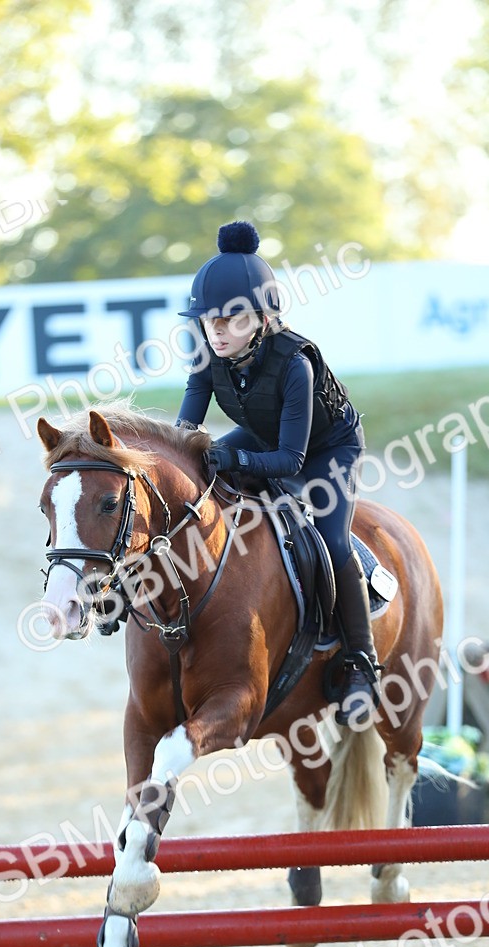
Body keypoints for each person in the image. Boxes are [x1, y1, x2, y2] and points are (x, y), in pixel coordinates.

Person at [175, 220, 380, 725]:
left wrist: (235, 459)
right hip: (271, 438)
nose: (216, 331)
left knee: (332, 541)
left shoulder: (295, 364)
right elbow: (186, 433)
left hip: (328, 448)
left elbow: (291, 463)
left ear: (264, 318)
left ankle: (361, 666)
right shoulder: (209, 354)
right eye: (208, 321)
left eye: (231, 320)